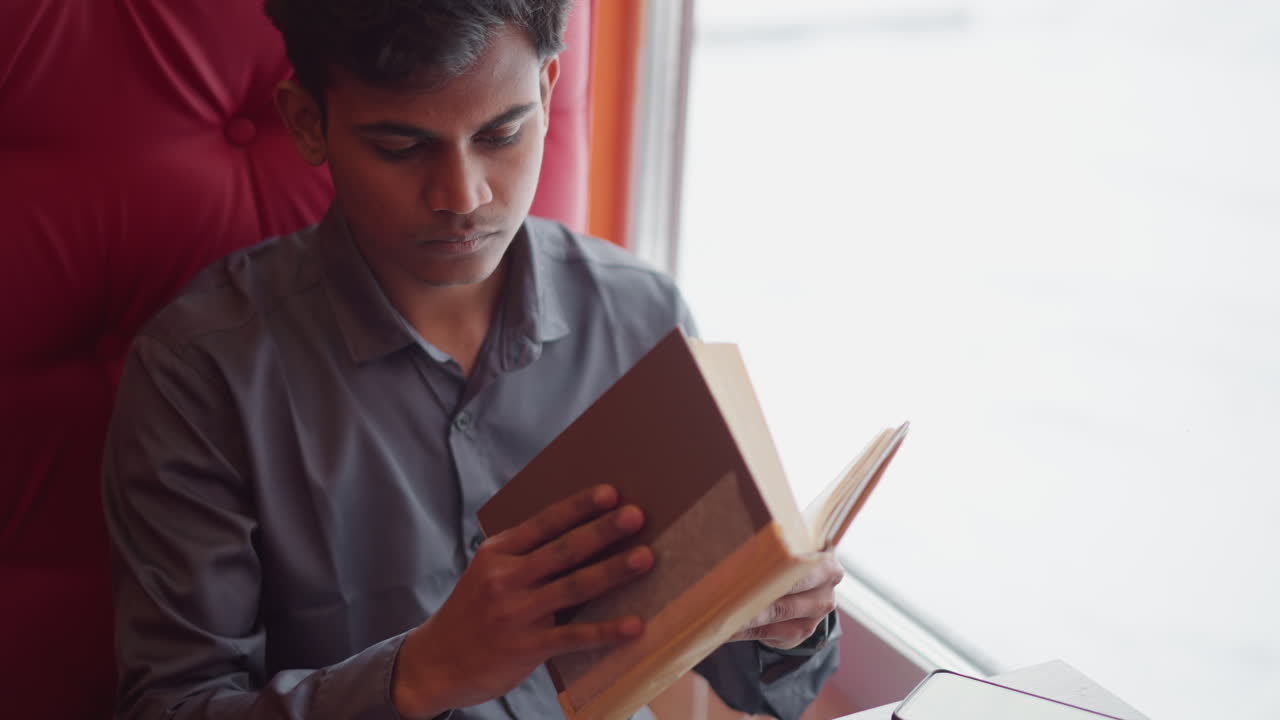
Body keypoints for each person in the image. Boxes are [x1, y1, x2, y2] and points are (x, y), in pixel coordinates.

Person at [101, 1, 842, 718]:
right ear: (307, 122)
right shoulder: (201, 373)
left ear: (548, 91)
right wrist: (415, 678)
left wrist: (787, 623)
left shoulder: (640, 317)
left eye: (501, 135)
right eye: (401, 146)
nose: (463, 196)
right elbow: (173, 705)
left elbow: (755, 682)